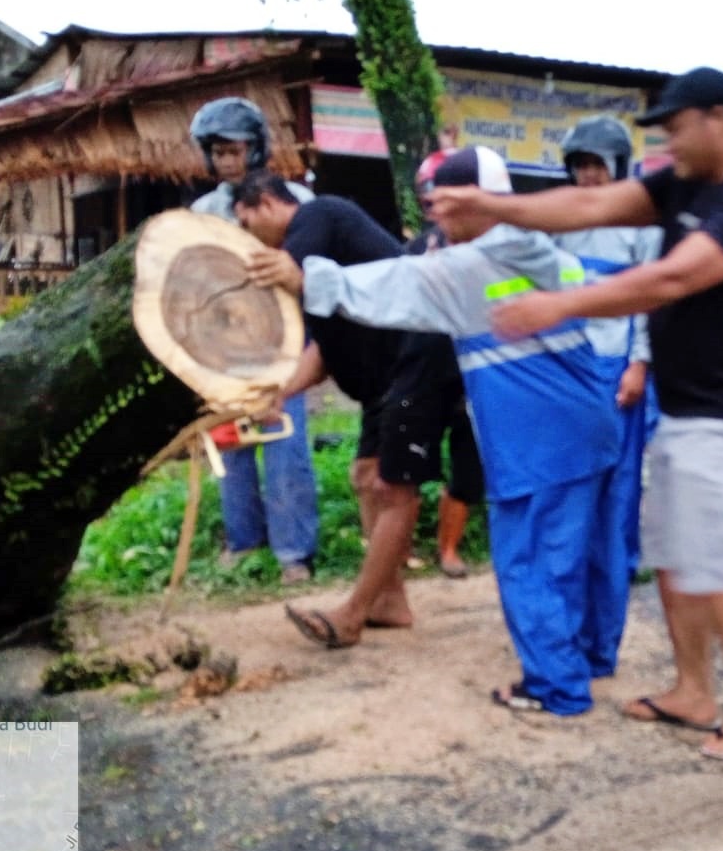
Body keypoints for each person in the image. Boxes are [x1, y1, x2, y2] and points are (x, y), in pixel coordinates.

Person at [433, 67, 723, 763]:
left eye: (675, 127)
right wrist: (492, 204)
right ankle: (694, 689)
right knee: (672, 558)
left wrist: (560, 305)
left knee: (719, 563)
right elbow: (586, 209)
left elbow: (670, 278)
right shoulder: (684, 184)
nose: (666, 142)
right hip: (685, 409)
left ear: (719, 118)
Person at [249, 146, 618, 717]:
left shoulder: (484, 260)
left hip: (538, 441)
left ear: (484, 201)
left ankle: (556, 687)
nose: (437, 216)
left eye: (449, 203)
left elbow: (399, 283)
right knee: (583, 551)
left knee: (532, 559)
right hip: (580, 426)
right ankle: (592, 656)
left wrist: (308, 276)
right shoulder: (531, 250)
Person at [230, 169, 420, 648]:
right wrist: (280, 392)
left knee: (390, 486)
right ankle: (389, 600)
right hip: (386, 381)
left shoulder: (319, 215)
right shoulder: (318, 278)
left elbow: (290, 267)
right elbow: (325, 353)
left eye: (246, 223)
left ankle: (353, 615)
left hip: (415, 362)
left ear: (268, 204)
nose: (247, 238)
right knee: (364, 477)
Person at [187, 97, 318, 584]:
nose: (226, 160)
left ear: (257, 148)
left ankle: (294, 554)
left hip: (285, 337)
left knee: (285, 439)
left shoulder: (295, 203)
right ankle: (244, 543)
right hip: (226, 340)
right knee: (230, 439)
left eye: (234, 150)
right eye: (216, 151)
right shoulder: (203, 211)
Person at [553, 115, 662, 673]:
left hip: (619, 375)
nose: (590, 177)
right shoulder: (559, 223)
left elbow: (649, 300)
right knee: (568, 510)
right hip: (569, 374)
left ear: (619, 166)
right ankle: (565, 635)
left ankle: (602, 645)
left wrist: (639, 363)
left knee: (613, 514)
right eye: (581, 166)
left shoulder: (641, 225)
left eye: (598, 165)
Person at [405, 150, 484, 578]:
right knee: (410, 465)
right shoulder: (416, 249)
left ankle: (449, 550)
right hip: (427, 372)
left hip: (473, 374)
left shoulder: (490, 247)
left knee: (469, 469)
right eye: (431, 194)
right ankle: (399, 550)